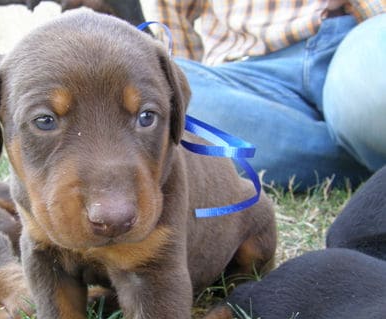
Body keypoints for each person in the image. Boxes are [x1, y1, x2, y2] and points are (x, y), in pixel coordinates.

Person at [155, 0, 386, 190]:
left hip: (357, 35)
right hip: (246, 75)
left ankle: (362, 134)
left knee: (375, 93)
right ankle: (365, 148)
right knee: (174, 99)